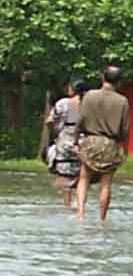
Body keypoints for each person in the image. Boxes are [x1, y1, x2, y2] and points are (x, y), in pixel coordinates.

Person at [75, 66, 131, 222]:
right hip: (110, 144)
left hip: (90, 140)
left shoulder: (89, 96)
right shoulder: (122, 101)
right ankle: (102, 219)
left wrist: (75, 141)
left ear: (102, 78)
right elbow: (125, 129)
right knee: (106, 183)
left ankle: (80, 214)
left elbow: (80, 120)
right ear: (119, 82)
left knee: (84, 178)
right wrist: (125, 150)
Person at [41, 80, 84, 209]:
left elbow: (49, 121)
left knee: (64, 175)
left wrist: (55, 130)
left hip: (65, 141)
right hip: (83, 143)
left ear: (73, 89)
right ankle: (80, 205)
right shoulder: (88, 104)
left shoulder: (63, 103)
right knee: (81, 175)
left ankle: (67, 206)